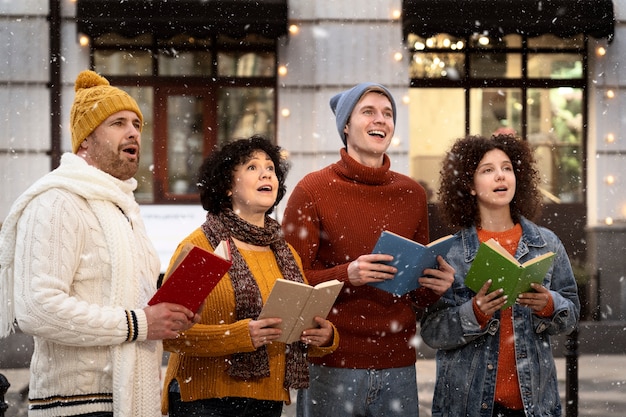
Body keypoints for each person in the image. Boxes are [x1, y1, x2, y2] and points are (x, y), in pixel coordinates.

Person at [0, 70, 199, 417]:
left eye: (137, 123)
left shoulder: (123, 208)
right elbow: (36, 308)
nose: (133, 131)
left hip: (128, 399)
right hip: (77, 406)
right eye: (118, 123)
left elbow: (133, 305)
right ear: (85, 141)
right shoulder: (59, 201)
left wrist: (168, 317)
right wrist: (140, 323)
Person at [281, 82, 455, 417]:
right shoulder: (312, 190)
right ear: (346, 125)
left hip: (398, 365)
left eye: (388, 113)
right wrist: (348, 274)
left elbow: (416, 294)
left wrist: (435, 285)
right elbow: (291, 283)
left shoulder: (413, 194)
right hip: (331, 362)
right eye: (368, 112)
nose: (381, 120)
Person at [161, 135, 339, 417]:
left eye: (270, 168)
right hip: (204, 401)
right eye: (252, 167)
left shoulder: (285, 253)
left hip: (266, 401)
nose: (266, 172)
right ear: (228, 187)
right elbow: (169, 335)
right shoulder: (201, 247)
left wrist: (325, 336)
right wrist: (241, 336)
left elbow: (294, 327)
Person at [420, 133, 580, 416]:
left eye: (507, 168)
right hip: (467, 405)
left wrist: (550, 305)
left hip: (533, 406)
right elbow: (433, 332)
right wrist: (475, 312)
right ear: (469, 185)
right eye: (488, 170)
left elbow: (571, 315)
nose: (500, 177)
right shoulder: (451, 252)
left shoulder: (546, 243)